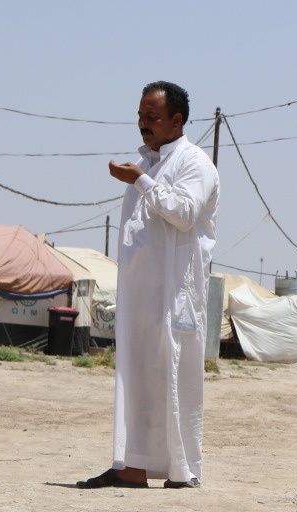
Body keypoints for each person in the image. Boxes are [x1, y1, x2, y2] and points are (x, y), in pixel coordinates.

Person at [77, 81, 219, 489]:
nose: (143, 124)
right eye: (140, 116)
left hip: (175, 297)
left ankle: (182, 471)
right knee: (136, 377)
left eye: (151, 117)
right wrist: (142, 175)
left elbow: (185, 212)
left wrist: (140, 180)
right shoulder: (148, 163)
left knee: (174, 379)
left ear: (177, 120)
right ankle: (132, 466)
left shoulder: (195, 163)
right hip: (139, 297)